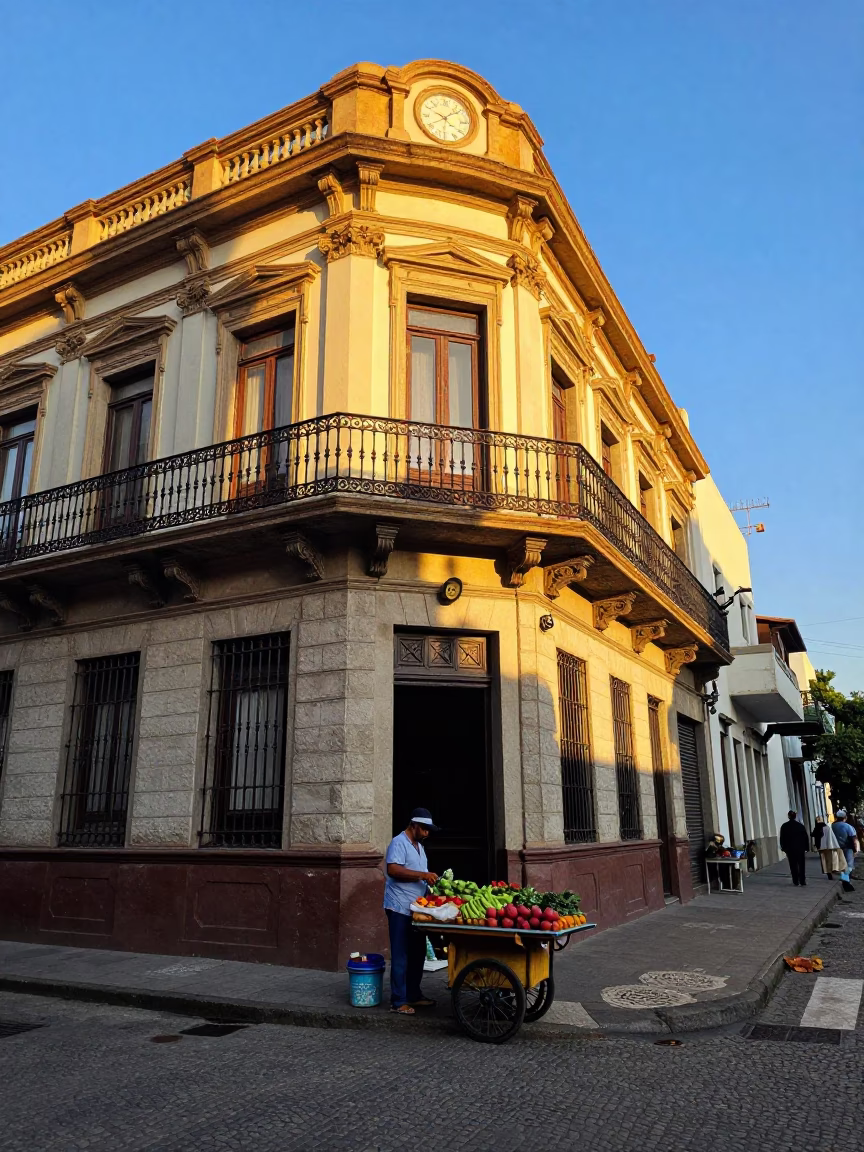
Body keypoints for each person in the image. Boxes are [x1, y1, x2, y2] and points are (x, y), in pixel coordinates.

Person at [383, 808, 440, 1016]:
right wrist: (423, 875)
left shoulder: (419, 846)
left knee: (418, 953)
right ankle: (398, 1001)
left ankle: (413, 994)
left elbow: (420, 876)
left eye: (428, 830)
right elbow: (394, 870)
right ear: (413, 825)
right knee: (400, 955)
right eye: (424, 829)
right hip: (399, 907)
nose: (426, 833)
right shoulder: (399, 842)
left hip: (416, 908)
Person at [779, 810, 809, 886]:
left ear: (789, 816)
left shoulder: (784, 826)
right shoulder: (800, 826)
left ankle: (795, 880)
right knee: (801, 865)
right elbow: (805, 837)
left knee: (793, 865)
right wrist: (806, 847)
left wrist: (783, 847)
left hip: (790, 849)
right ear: (795, 816)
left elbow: (782, 838)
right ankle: (802, 880)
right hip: (800, 848)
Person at [832, 809, 859, 892]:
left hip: (836, 848)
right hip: (847, 848)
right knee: (848, 866)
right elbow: (853, 838)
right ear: (845, 817)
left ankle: (845, 881)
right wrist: (856, 849)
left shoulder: (832, 826)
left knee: (841, 865)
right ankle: (846, 882)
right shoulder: (847, 826)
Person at [818, 819, 850, 889]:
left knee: (827, 863)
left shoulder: (826, 827)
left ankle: (832, 876)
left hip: (826, 846)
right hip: (834, 846)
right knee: (842, 864)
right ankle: (845, 880)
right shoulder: (830, 827)